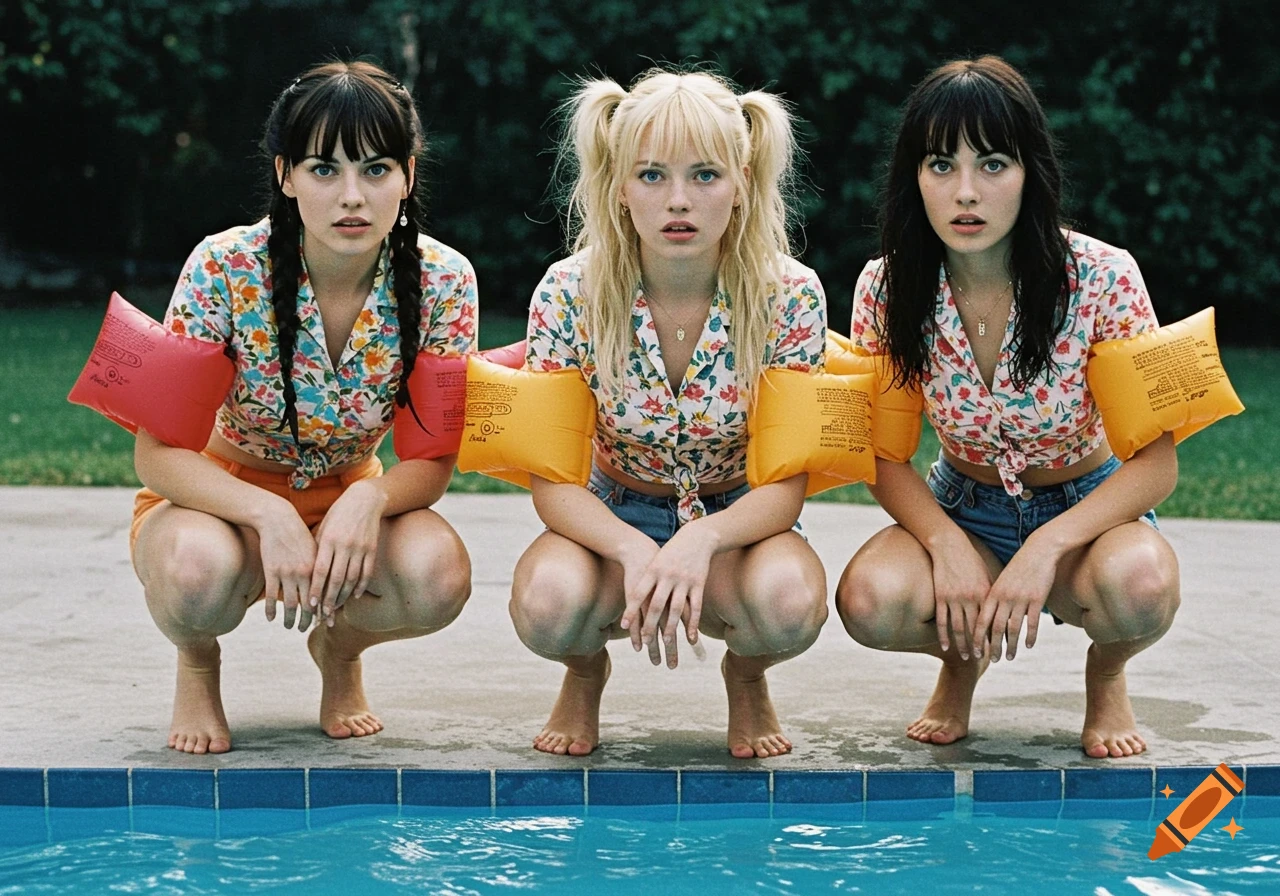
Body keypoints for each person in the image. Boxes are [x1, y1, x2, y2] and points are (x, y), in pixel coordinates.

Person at [835, 56, 1180, 759]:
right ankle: (961, 659)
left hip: (1086, 510)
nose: (966, 192)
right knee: (869, 601)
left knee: (1140, 587)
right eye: (940, 165)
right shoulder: (886, 286)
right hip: (966, 503)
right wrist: (946, 543)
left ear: (1031, 173)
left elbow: (1156, 464)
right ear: (914, 178)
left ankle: (1107, 671)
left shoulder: (1105, 278)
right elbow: (880, 453)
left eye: (992, 164)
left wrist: (1049, 545)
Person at [130, 60, 477, 754]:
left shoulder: (444, 280)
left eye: (375, 169)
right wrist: (266, 511)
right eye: (324, 169)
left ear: (407, 175)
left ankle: (340, 649)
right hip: (217, 498)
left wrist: (367, 502)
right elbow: (156, 453)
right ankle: (198, 663)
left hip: (349, 490)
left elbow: (431, 464)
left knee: (438, 578)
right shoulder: (221, 266)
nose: (352, 195)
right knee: (196, 575)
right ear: (286, 175)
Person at [509, 67, 829, 758]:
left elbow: (787, 483)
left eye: (705, 176)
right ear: (619, 185)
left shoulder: (791, 296)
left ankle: (746, 675)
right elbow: (552, 481)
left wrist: (702, 540)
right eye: (651, 176)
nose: (678, 200)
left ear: (743, 181)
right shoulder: (568, 292)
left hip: (738, 517)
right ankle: (584, 669)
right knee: (547, 605)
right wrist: (630, 547)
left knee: (788, 605)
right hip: (613, 507)